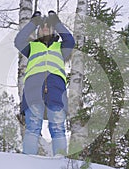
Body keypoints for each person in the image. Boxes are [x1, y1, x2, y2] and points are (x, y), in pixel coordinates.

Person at [14, 10, 75, 156]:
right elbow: (18, 41)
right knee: (33, 126)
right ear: (38, 31)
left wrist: (57, 23)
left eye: (48, 26)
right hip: (33, 89)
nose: (45, 28)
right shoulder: (31, 47)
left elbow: (70, 41)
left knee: (58, 126)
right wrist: (33, 23)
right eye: (42, 27)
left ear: (54, 30)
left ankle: (60, 162)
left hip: (56, 89)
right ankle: (28, 161)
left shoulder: (60, 48)